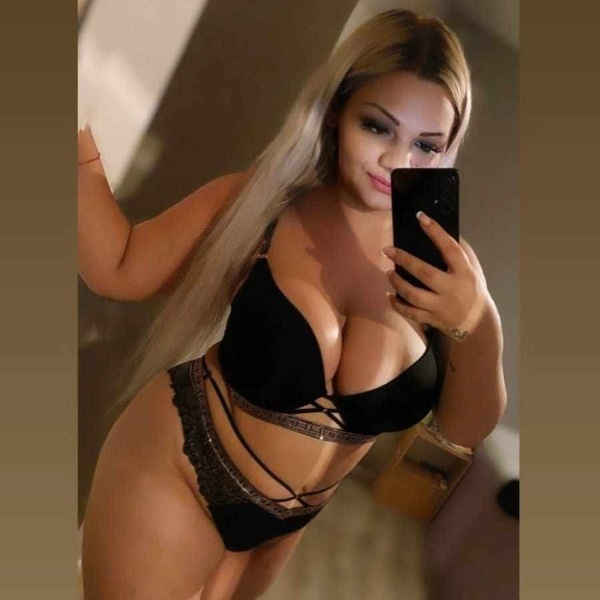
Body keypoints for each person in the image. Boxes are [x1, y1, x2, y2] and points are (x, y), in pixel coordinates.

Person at [78, 9, 507, 600]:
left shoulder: (444, 265)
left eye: (426, 145)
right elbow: (120, 265)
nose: (397, 162)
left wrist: (478, 324)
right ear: (336, 111)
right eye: (377, 128)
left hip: (279, 532)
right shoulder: (266, 204)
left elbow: (462, 431)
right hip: (179, 468)